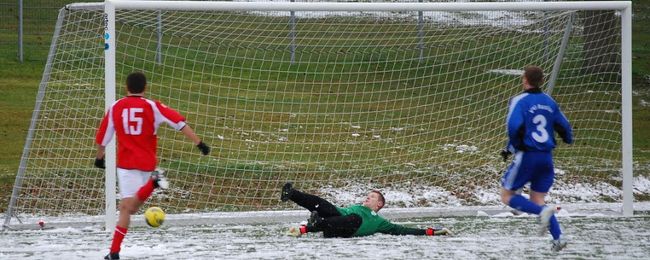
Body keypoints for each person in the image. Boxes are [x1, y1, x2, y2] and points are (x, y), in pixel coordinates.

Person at [94, 72, 211, 260]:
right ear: (145, 88)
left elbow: (104, 136)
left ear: (126, 87)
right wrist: (199, 143)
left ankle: (115, 251)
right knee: (128, 208)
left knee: (127, 208)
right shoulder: (153, 106)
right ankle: (114, 252)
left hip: (126, 164)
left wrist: (99, 158)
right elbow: (179, 123)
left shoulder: (116, 106)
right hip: (147, 163)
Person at [500, 65, 573, 252]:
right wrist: (567, 138)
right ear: (541, 80)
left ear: (525, 79)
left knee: (507, 196)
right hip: (546, 158)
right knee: (537, 198)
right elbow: (563, 124)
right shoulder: (549, 101)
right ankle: (559, 238)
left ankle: (542, 213)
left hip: (528, 155)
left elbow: (513, 126)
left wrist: (514, 146)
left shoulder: (520, 100)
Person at [280, 182, 451, 238]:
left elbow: (403, 230)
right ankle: (291, 194)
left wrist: (431, 232)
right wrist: (305, 229)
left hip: (347, 229)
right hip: (333, 223)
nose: (367, 197)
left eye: (372, 197)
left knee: (355, 219)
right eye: (367, 195)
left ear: (379, 205)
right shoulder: (356, 207)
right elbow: (336, 212)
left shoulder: (379, 222)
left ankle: (316, 223)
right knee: (321, 203)